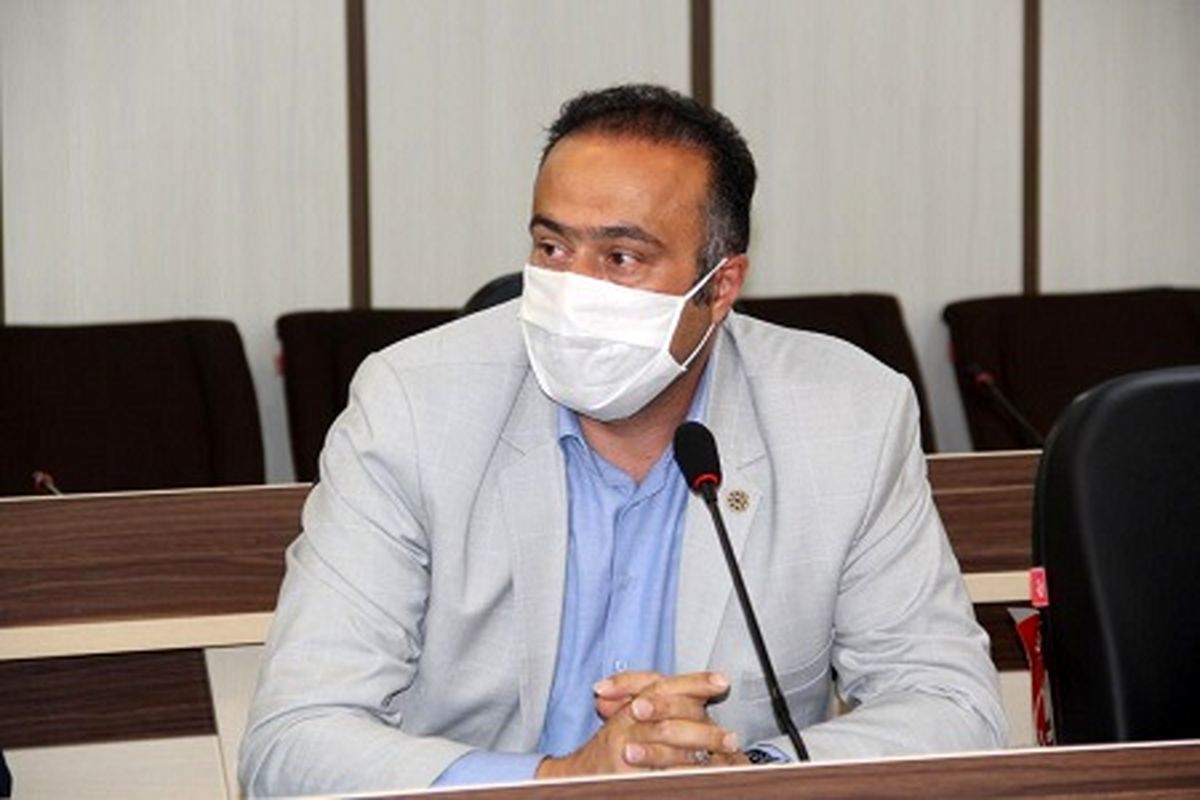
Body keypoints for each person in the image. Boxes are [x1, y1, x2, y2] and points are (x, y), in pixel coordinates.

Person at [240, 84, 1005, 796]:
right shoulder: (412, 406)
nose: (574, 289)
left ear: (721, 286)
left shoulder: (848, 417)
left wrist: (743, 774)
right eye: (552, 248)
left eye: (621, 258)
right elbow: (292, 741)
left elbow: (951, 706)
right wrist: (558, 779)